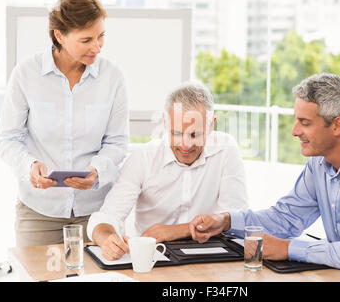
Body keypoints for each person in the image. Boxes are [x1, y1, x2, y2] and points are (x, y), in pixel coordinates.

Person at [189, 73, 340, 282]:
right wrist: (227, 221)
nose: (294, 131)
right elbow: (287, 219)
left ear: (337, 125)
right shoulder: (319, 163)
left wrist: (288, 249)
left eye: (304, 123)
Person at [0, 0, 129, 246]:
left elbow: (117, 142)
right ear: (59, 36)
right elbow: (8, 138)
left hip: (94, 213)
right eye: (86, 39)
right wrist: (29, 166)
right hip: (38, 213)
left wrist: (97, 171)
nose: (97, 46)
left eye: (101, 36)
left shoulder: (112, 77)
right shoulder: (26, 74)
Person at [87, 83, 249, 261]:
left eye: (195, 135)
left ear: (211, 126)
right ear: (165, 122)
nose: (185, 145)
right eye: (177, 133)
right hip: (154, 257)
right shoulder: (143, 157)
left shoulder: (225, 149)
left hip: (209, 255)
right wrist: (106, 239)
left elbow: (236, 220)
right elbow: (107, 217)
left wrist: (174, 231)